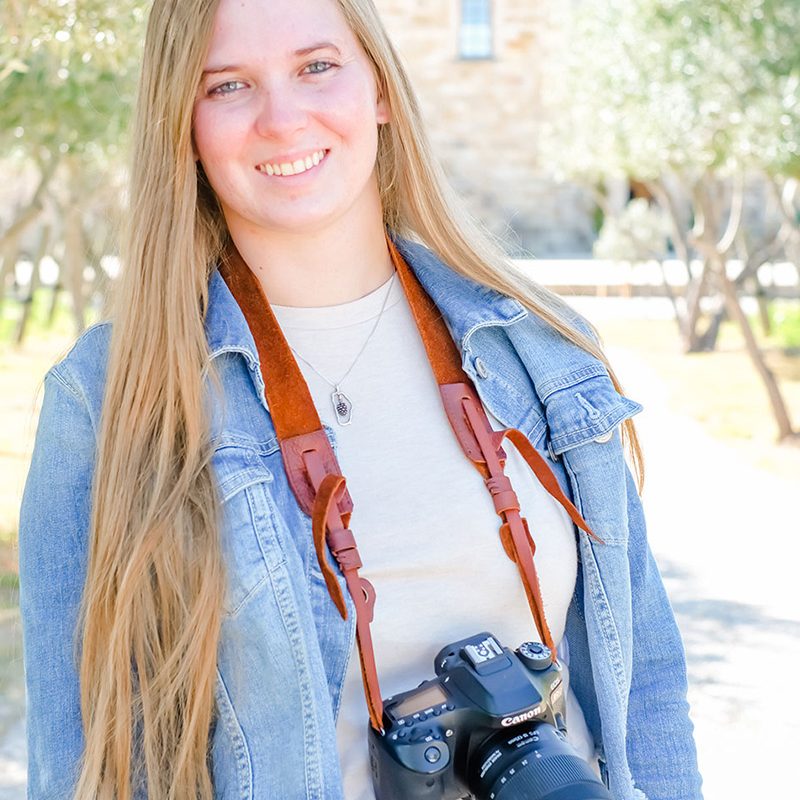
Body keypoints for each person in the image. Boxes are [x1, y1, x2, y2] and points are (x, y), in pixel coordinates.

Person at [18, 0, 703, 798]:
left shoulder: (542, 348)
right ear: (183, 124)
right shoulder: (115, 398)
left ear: (379, 88)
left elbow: (647, 688)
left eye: (317, 67)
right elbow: (86, 762)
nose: (283, 118)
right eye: (228, 85)